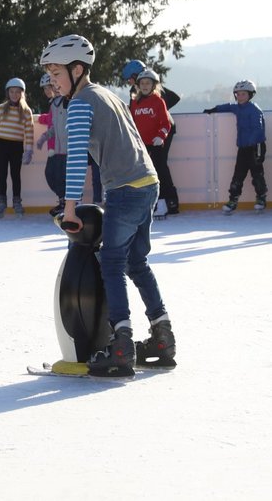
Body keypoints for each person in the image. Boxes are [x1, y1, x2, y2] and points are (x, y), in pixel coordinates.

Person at [40, 34, 175, 377]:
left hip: (126, 188)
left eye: (56, 73)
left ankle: (121, 343)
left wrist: (69, 209)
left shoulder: (82, 103)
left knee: (112, 263)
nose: (52, 81)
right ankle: (162, 335)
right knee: (136, 261)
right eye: (51, 74)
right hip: (148, 183)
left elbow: (74, 162)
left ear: (77, 69)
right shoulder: (108, 96)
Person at [123, 60, 181, 213]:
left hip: (162, 132)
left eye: (129, 78)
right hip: (145, 136)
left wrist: (158, 111)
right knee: (148, 168)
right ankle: (154, 201)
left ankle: (169, 201)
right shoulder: (136, 94)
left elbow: (174, 98)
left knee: (160, 165)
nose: (129, 82)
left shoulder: (157, 95)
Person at [203, 80, 267, 213]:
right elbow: (228, 106)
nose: (240, 97)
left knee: (257, 173)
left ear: (250, 95)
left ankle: (261, 198)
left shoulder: (255, 110)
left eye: (243, 94)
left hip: (256, 147)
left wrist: (251, 142)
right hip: (243, 148)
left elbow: (258, 129)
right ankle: (233, 200)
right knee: (238, 174)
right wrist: (214, 109)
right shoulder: (237, 107)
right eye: (237, 94)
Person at [0, 78, 35, 217]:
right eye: (12, 92)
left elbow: (29, 131)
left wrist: (28, 150)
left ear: (22, 93)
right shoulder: (1, 108)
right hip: (2, 145)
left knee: (16, 175)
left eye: (17, 92)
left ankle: (17, 202)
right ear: (7, 93)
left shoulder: (26, 111)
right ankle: (1, 201)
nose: (14, 94)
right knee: (2, 174)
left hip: (16, 146)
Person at [36, 73, 68, 216]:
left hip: (65, 150)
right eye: (45, 89)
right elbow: (52, 124)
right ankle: (63, 201)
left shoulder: (65, 102)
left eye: (50, 87)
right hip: (54, 149)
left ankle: (67, 204)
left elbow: (63, 125)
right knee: (51, 175)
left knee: (62, 178)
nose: (48, 91)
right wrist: (44, 137)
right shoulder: (54, 104)